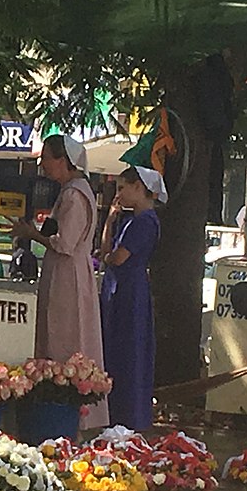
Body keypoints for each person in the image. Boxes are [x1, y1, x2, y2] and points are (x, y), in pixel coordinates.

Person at [10, 135, 108, 430]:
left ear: (63, 160)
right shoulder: (71, 191)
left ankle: (68, 410)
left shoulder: (74, 195)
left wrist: (31, 234)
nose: (42, 165)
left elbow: (64, 243)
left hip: (69, 275)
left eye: (46, 159)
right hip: (63, 272)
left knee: (66, 337)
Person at [100, 166, 166, 431]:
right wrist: (109, 220)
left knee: (129, 352)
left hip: (130, 290)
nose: (119, 194)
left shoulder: (145, 221)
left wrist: (106, 257)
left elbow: (116, 257)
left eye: (123, 187)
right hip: (120, 287)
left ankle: (130, 415)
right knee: (116, 350)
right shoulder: (128, 221)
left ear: (139, 188)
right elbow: (107, 250)